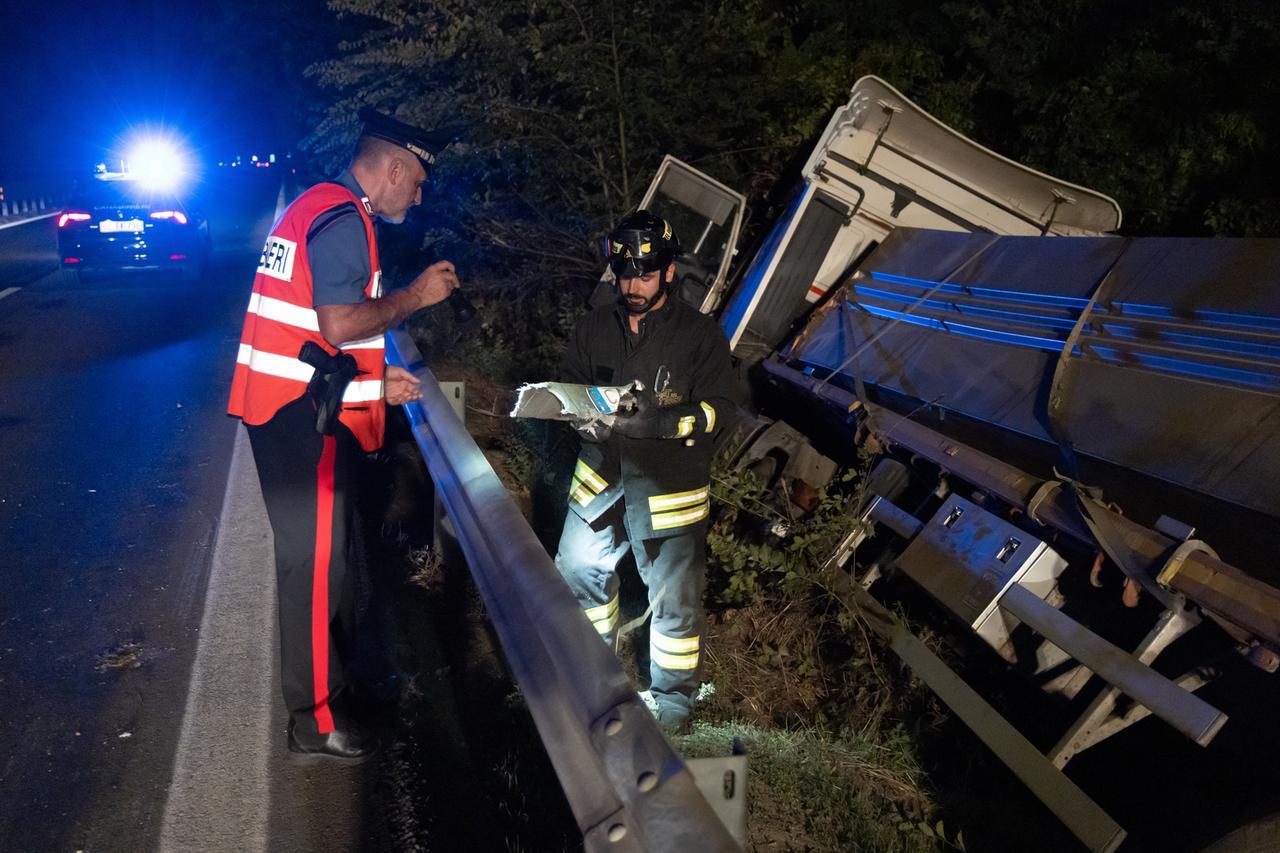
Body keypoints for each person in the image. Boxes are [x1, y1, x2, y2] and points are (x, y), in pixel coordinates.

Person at [227, 107, 461, 761]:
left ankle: (333, 690)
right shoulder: (340, 219)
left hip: (292, 410)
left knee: (327, 564)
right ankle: (314, 720)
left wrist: (373, 386)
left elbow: (309, 337)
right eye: (415, 183)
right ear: (392, 169)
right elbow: (337, 324)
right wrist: (415, 296)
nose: (417, 197)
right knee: (312, 569)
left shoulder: (323, 208)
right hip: (296, 422)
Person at [554, 210, 737, 732]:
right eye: (625, 274)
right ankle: (593, 680)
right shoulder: (594, 327)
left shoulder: (700, 337)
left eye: (645, 274)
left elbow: (721, 409)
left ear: (669, 272)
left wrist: (665, 423)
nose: (633, 285)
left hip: (667, 492)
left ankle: (673, 708)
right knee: (580, 577)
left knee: (674, 606)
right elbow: (570, 383)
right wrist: (579, 418)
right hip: (600, 485)